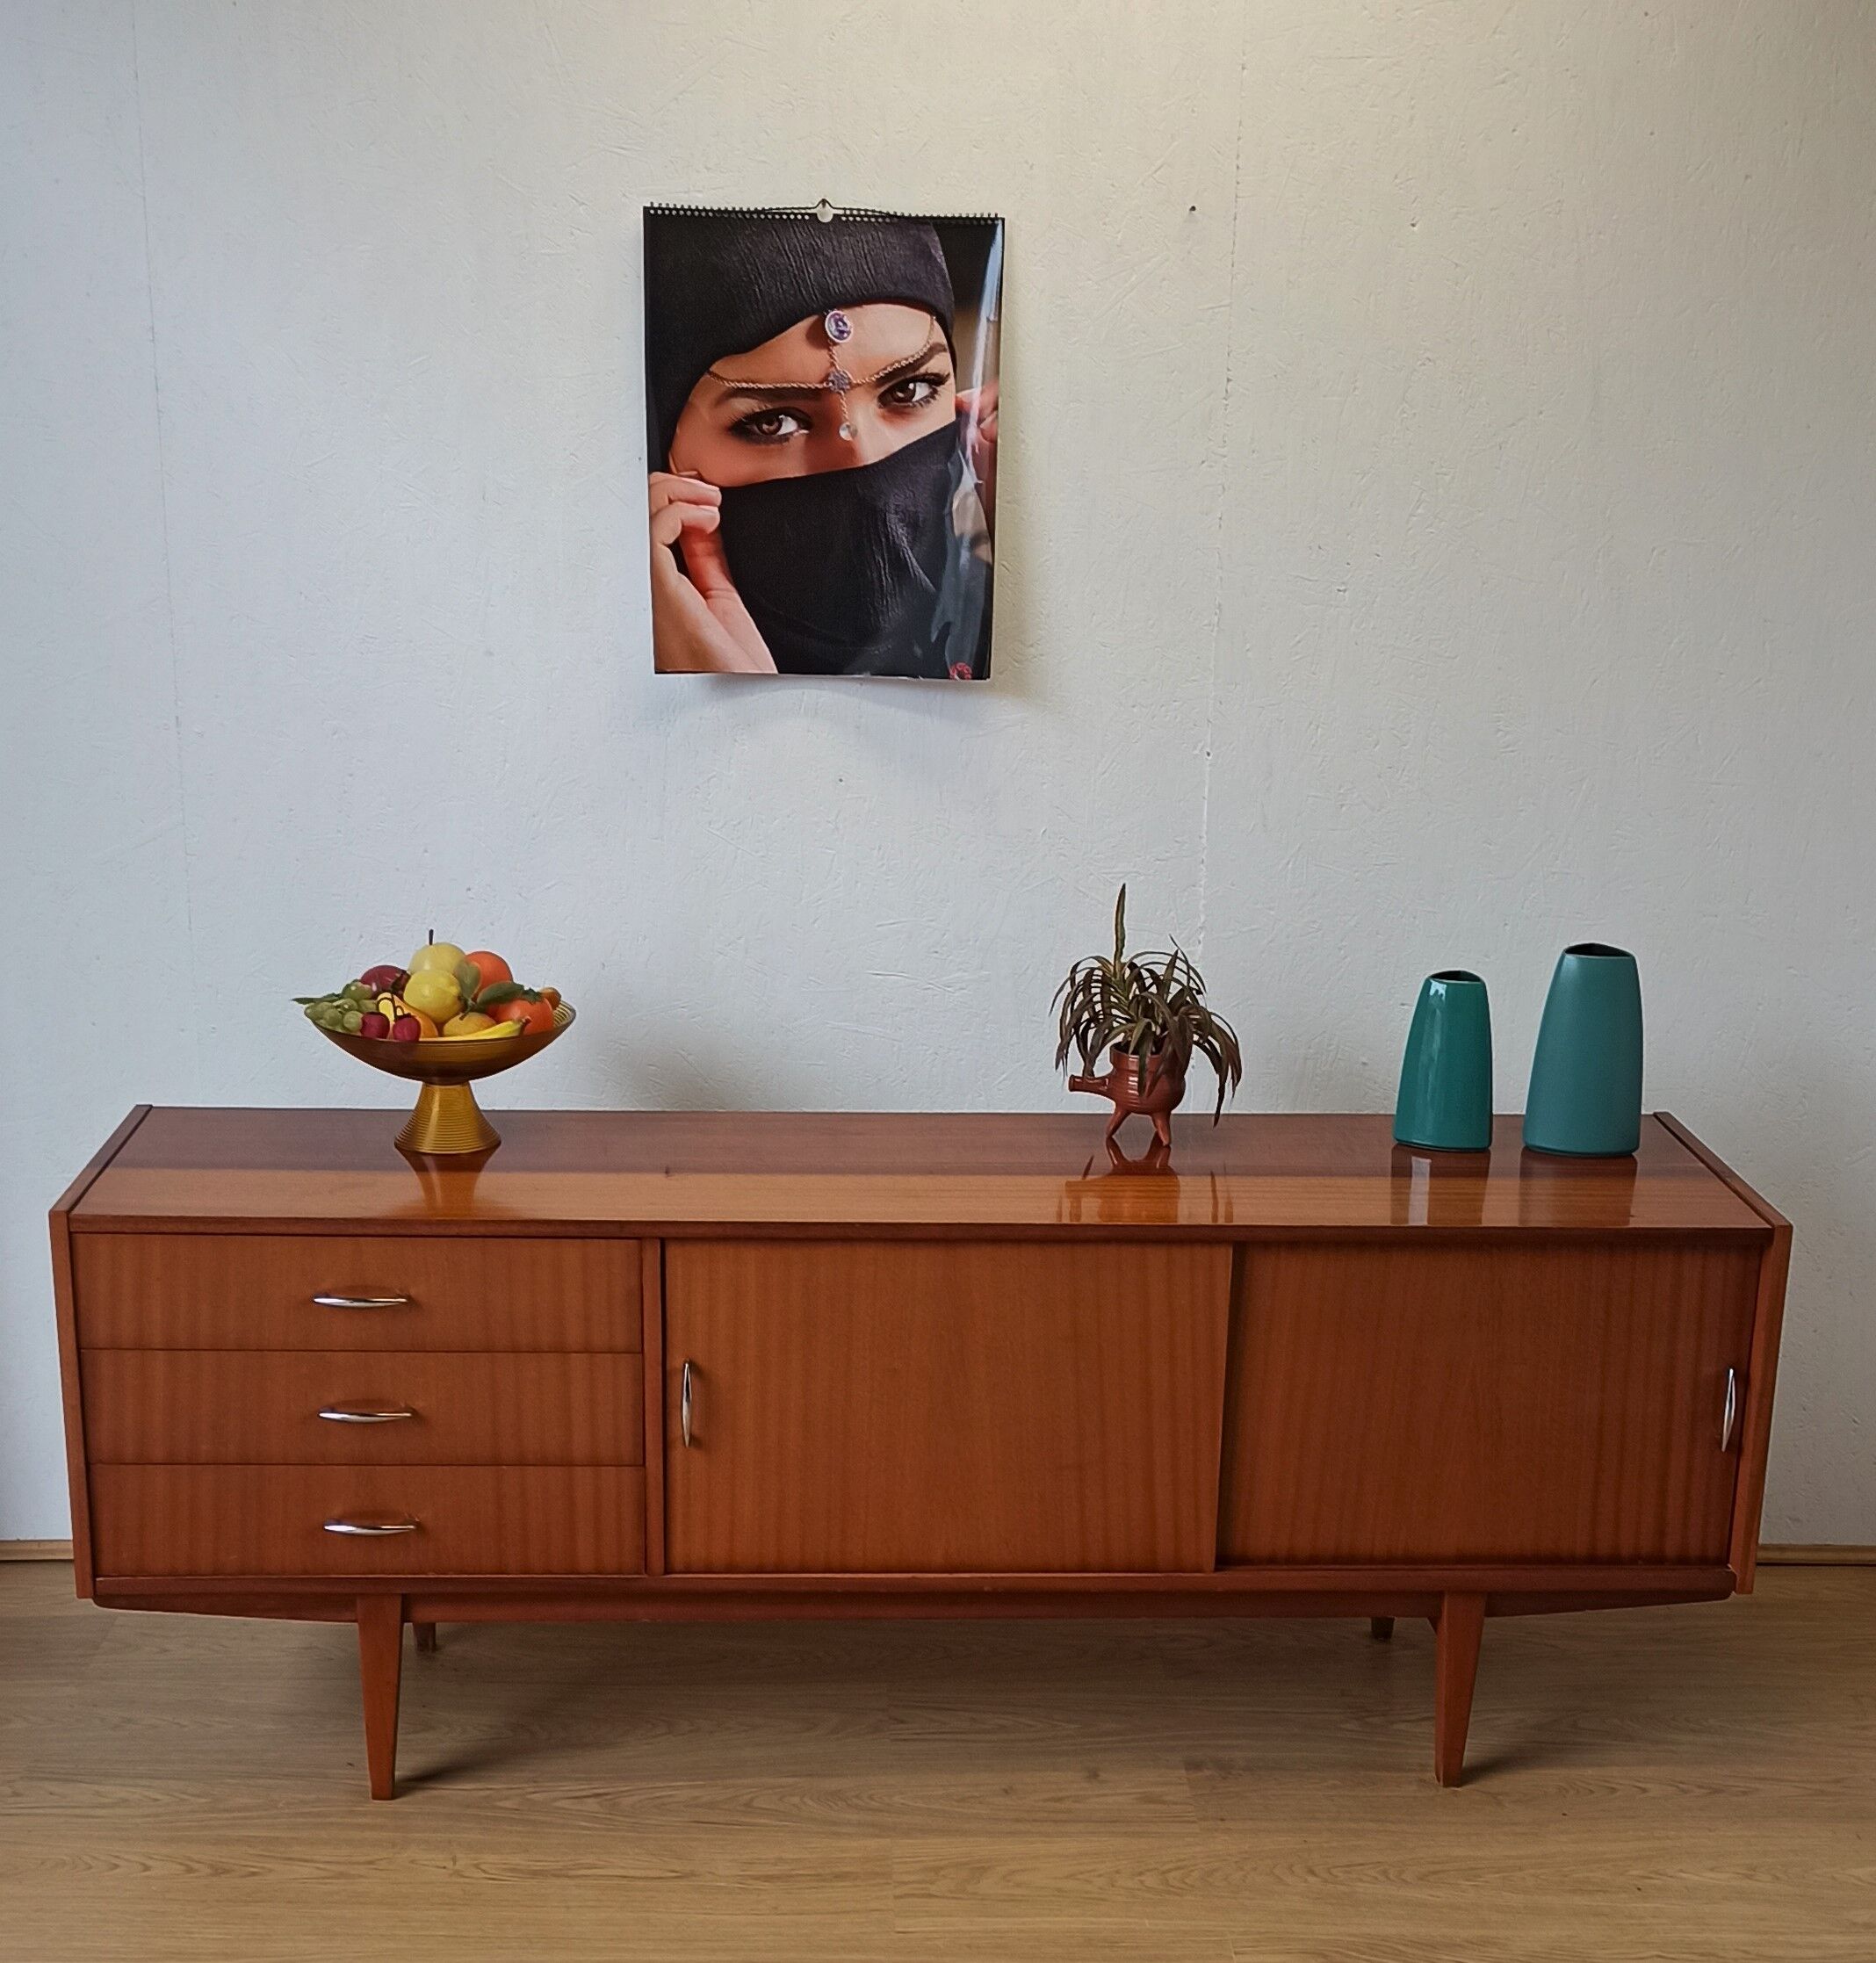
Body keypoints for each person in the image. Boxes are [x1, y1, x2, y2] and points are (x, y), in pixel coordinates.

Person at [645, 210, 997, 678]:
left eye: (908, 391)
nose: (861, 456)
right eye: (773, 423)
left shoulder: (1016, 628)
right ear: (662, 444)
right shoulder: (578, 661)